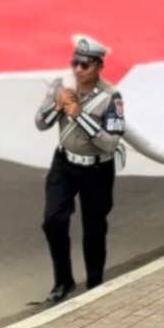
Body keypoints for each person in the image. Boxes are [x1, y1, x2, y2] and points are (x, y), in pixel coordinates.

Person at [34, 35, 126, 304]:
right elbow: (41, 123)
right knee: (53, 221)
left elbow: (110, 143)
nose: (78, 69)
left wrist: (80, 115)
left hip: (97, 169)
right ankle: (63, 280)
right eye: (75, 63)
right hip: (65, 163)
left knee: (94, 228)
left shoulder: (111, 98)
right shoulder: (61, 86)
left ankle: (95, 282)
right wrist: (58, 105)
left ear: (99, 67)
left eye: (85, 65)